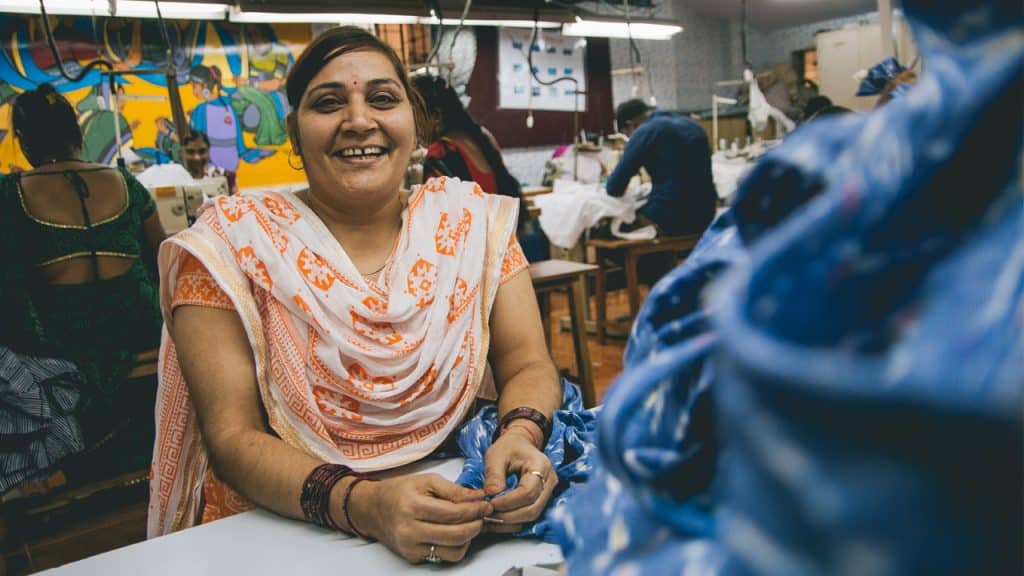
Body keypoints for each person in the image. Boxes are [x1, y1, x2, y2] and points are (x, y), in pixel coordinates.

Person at [150, 26, 563, 565]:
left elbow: (527, 361)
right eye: (328, 103)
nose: (359, 120)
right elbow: (232, 437)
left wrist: (521, 434)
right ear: (295, 134)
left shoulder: (470, 225)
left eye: (383, 99)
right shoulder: (233, 245)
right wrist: (364, 506)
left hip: (458, 506)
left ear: (415, 122)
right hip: (286, 528)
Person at [0, 83, 166, 485]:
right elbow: (166, 264)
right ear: (75, 131)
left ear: (23, 139)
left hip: (67, 358)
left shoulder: (10, 194)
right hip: (145, 342)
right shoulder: (126, 184)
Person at [605, 99, 717, 236]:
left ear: (631, 124)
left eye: (627, 135)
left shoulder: (645, 131)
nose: (630, 138)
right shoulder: (692, 125)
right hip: (706, 213)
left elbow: (614, 188)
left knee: (610, 227)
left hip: (672, 217)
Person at [412, 75, 521, 199]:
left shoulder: (440, 153)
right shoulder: (482, 137)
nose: (414, 128)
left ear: (436, 116)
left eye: (415, 118)